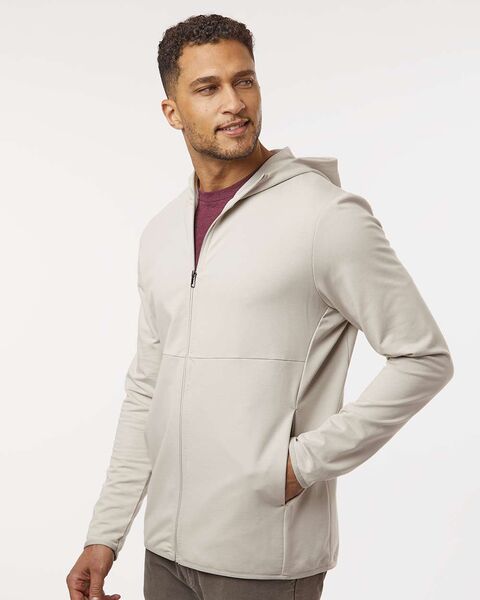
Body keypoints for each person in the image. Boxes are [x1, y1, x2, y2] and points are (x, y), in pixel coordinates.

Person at [66, 13, 454, 600]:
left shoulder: (326, 216)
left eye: (244, 80)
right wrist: (105, 533)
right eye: (208, 88)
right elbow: (147, 387)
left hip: (264, 558)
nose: (234, 102)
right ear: (172, 111)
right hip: (164, 553)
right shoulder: (161, 234)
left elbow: (423, 358)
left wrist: (300, 465)